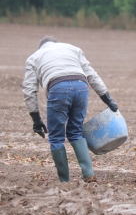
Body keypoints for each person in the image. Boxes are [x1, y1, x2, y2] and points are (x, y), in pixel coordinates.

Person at [22, 36, 118, 182]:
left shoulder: (34, 57)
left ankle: (64, 181)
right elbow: (92, 75)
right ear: (56, 44)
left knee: (56, 137)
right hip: (81, 86)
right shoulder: (73, 49)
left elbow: (29, 91)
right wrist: (107, 99)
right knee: (75, 132)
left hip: (58, 88)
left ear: (41, 47)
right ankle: (88, 173)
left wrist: (36, 119)